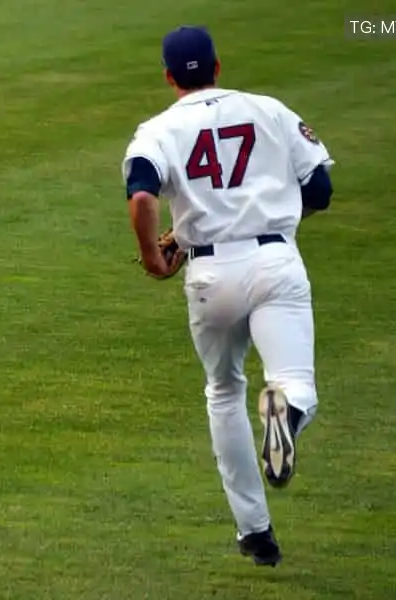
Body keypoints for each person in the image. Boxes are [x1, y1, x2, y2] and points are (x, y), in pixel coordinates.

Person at [120, 25, 335, 567]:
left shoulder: (158, 129)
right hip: (275, 262)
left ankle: (255, 531)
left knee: (223, 391)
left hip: (209, 275)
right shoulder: (268, 109)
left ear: (169, 77)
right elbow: (320, 191)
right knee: (294, 384)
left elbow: (142, 194)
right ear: (218, 67)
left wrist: (152, 254)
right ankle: (285, 415)